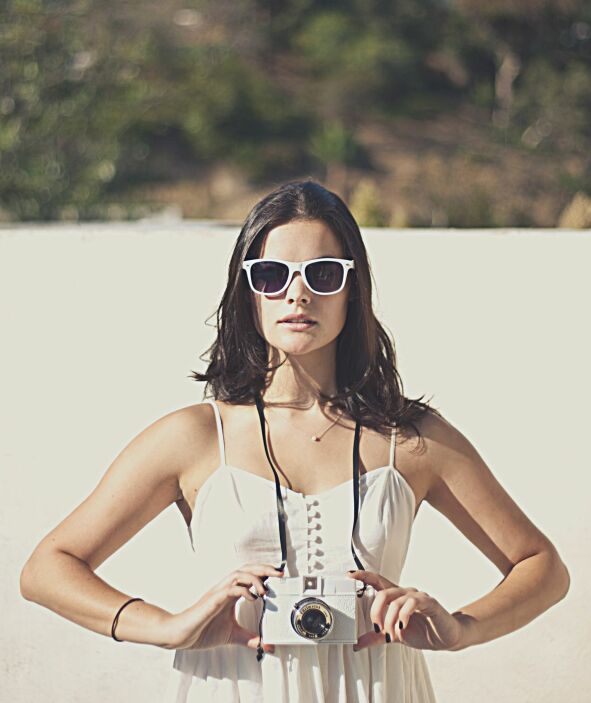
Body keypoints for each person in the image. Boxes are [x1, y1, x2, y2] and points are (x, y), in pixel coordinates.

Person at [20, 179, 570, 702]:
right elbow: (48, 568)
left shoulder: (412, 438)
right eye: (272, 274)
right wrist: (166, 627)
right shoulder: (194, 437)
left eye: (324, 273)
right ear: (248, 292)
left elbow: (542, 565)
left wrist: (460, 630)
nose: (298, 293)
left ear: (352, 290)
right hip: (233, 688)